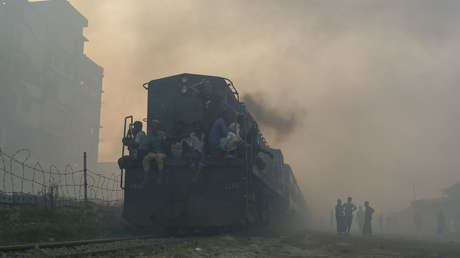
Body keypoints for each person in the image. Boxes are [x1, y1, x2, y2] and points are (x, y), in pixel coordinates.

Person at [142, 120, 166, 184]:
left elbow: (165, 144)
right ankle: (146, 177)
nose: (153, 127)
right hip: (152, 153)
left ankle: (160, 177)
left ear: (158, 127)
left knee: (159, 158)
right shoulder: (149, 135)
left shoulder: (162, 134)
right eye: (152, 126)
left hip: (161, 153)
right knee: (145, 159)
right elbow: (146, 144)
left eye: (155, 125)